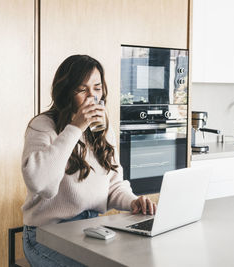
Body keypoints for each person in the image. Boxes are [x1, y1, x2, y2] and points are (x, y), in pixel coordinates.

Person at [21, 55, 156, 267]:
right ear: (66, 92)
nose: (91, 97)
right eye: (82, 90)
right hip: (46, 236)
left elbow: (113, 185)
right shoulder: (42, 126)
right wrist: (75, 128)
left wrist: (132, 201)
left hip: (93, 229)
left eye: (97, 88)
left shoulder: (102, 129)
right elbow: (41, 184)